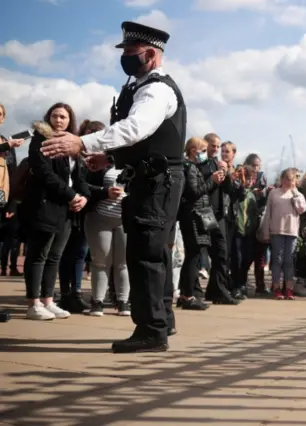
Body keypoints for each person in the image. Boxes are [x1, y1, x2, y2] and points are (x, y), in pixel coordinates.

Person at [41, 21, 186, 353]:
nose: (125, 58)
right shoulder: (142, 86)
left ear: (150, 54)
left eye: (131, 52)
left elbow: (136, 128)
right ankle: (161, 320)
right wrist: (107, 157)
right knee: (154, 252)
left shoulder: (156, 89)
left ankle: (151, 331)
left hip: (156, 182)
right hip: (152, 179)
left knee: (146, 254)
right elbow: (143, 141)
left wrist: (83, 142)